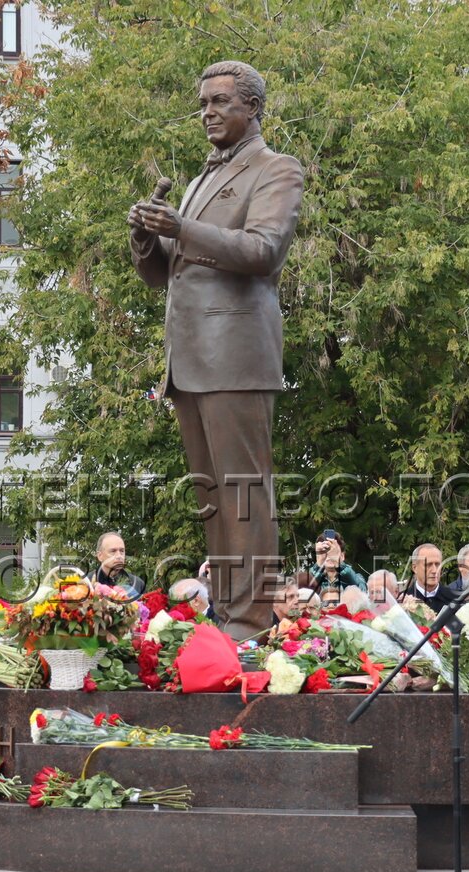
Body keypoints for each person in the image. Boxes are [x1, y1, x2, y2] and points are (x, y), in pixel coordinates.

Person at [129, 60, 303, 639]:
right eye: (203, 103)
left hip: (237, 355)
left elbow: (263, 251)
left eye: (221, 102)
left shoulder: (276, 169)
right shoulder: (200, 180)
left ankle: (251, 624)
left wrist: (182, 228)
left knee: (245, 495)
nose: (208, 112)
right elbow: (167, 278)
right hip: (190, 360)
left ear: (252, 107)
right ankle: (227, 616)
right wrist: (147, 241)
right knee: (212, 497)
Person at [306, 529, 366, 609]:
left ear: (342, 555)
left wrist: (339, 564)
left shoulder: (357, 578)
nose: (329, 555)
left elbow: (362, 594)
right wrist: (319, 564)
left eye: (333, 550)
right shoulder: (313, 577)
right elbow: (304, 596)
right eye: (325, 551)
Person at [400, 544, 455, 612]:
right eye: (428, 565)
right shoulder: (401, 602)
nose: (434, 570)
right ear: (415, 568)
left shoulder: (455, 599)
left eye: (437, 564)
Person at [92, 531, 145, 597]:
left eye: (122, 551)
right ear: (100, 556)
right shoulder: (87, 583)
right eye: (113, 551)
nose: (119, 556)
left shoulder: (137, 584)